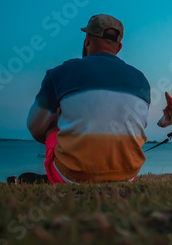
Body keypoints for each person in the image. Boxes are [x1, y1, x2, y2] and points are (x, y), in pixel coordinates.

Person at [27, 14, 151, 183]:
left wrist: (65, 124)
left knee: (52, 127)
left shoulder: (60, 73)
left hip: (73, 177)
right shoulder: (141, 80)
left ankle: (68, 170)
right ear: (119, 47)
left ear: (87, 39)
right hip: (128, 176)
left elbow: (34, 127)